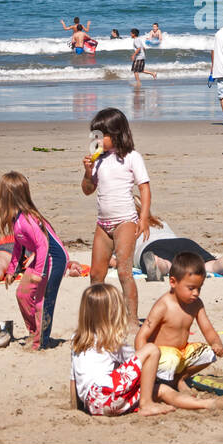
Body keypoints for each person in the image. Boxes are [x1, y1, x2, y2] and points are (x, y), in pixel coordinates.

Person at [70, 284, 223, 416]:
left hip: (94, 405)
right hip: (107, 393)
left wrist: (75, 409)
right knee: (151, 350)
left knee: (160, 389)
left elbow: (74, 379)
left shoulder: (77, 340)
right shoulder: (111, 341)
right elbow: (141, 360)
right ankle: (147, 404)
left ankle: (208, 404)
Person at [82, 108, 150, 325]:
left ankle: (131, 320)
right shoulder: (99, 160)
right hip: (103, 224)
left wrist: (144, 218)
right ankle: (96, 318)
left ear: (117, 133)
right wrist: (87, 171)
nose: (98, 140)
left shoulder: (132, 157)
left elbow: (145, 189)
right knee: (96, 274)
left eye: (103, 136)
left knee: (124, 272)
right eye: (95, 136)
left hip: (125, 221)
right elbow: (87, 190)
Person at [0, 171, 67, 350]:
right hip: (40, 259)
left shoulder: (26, 219)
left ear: (7, 199)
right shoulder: (16, 221)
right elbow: (18, 247)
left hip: (53, 260)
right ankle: (34, 331)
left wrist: (39, 273)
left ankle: (40, 340)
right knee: (23, 294)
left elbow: (42, 244)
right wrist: (12, 271)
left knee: (42, 300)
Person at [135, 252, 223, 393]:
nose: (196, 293)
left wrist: (216, 344)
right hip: (161, 357)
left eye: (199, 288)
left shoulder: (196, 304)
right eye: (191, 288)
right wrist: (142, 363)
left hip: (181, 354)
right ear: (173, 282)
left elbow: (207, 329)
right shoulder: (163, 305)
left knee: (208, 353)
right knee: (171, 359)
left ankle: (179, 378)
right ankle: (158, 382)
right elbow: (142, 336)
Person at [132, 216, 223, 282]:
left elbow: (118, 258)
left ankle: (158, 262)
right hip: (182, 242)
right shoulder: (159, 222)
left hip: (150, 247)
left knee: (168, 265)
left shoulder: (127, 228)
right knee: (211, 265)